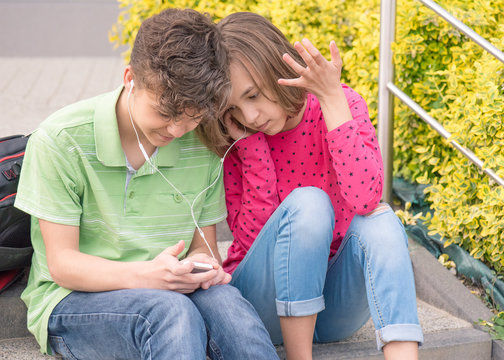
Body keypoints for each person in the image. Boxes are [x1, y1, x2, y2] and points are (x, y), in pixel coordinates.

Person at [14, 8, 279, 360]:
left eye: (191, 116)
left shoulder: (202, 143)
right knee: (170, 313)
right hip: (74, 299)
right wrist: (147, 275)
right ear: (130, 78)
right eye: (164, 113)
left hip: (170, 285)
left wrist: (201, 266)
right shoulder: (61, 139)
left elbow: (205, 248)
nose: (175, 130)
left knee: (229, 306)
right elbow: (63, 264)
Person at [216, 12, 424, 360]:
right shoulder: (242, 138)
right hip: (261, 306)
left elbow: (366, 198)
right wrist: (253, 151)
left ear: (275, 69)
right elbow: (253, 243)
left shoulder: (340, 103)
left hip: (333, 309)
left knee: (382, 220)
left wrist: (331, 101)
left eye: (253, 96)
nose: (249, 117)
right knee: (310, 203)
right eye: (234, 108)